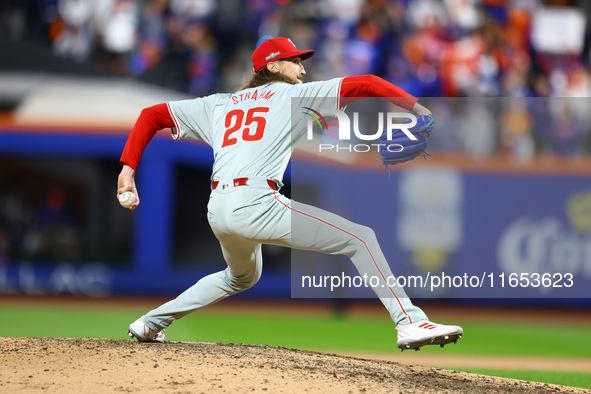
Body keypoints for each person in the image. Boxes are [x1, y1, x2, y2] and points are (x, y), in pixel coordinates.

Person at [118, 37, 463, 351]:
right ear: (273, 66)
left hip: (218, 208)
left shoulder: (218, 104)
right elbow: (368, 84)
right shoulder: (295, 95)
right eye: (294, 61)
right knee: (361, 239)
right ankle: (410, 322)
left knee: (240, 276)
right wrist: (417, 108)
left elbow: (152, 115)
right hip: (256, 202)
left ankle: (151, 322)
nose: (302, 68)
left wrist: (127, 171)